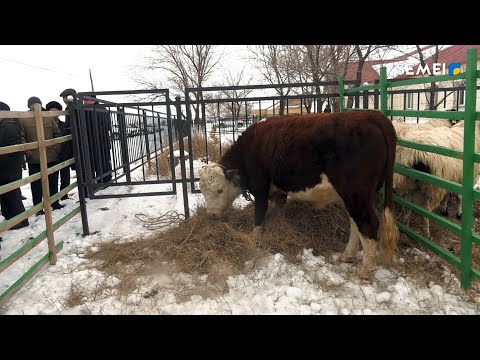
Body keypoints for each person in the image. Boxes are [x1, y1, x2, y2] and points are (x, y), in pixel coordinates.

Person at [21, 97, 64, 215]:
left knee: (53, 181)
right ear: (28, 106)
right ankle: (38, 208)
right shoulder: (23, 119)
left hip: (51, 156)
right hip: (34, 159)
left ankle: (54, 202)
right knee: (36, 185)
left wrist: (56, 150)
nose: (35, 106)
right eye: (32, 104)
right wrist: (28, 153)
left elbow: (57, 134)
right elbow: (22, 137)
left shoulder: (48, 117)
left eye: (37, 104)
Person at [0, 101, 29, 230]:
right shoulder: (3, 125)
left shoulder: (9, 126)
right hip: (6, 167)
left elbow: (14, 149)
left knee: (13, 193)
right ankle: (10, 217)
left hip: (10, 167)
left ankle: (22, 220)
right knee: (7, 193)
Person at [83, 95, 112, 184]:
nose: (85, 102)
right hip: (91, 142)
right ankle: (100, 180)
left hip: (101, 141)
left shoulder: (101, 109)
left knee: (103, 161)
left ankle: (105, 180)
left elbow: (106, 125)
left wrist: (96, 134)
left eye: (86, 100)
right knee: (95, 162)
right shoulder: (85, 110)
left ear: (93, 100)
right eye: (84, 100)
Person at [46, 101, 70, 200]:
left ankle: (64, 195)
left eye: (57, 110)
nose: (54, 112)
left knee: (65, 176)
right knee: (53, 179)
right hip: (51, 155)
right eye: (52, 110)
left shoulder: (64, 124)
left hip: (64, 154)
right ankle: (54, 198)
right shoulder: (45, 125)